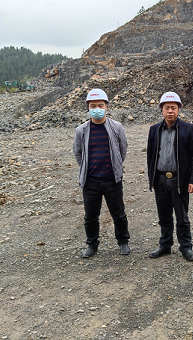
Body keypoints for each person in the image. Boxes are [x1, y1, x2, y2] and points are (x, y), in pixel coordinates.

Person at [73, 88, 130, 258]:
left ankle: (123, 242)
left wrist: (115, 167)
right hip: (90, 182)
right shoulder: (81, 130)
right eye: (93, 106)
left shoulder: (116, 127)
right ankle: (92, 245)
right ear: (88, 107)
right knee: (90, 216)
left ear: (107, 106)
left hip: (112, 180)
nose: (96, 109)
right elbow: (78, 153)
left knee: (118, 214)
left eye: (100, 105)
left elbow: (122, 149)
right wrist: (87, 168)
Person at [147, 92, 193, 261]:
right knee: (163, 215)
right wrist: (152, 179)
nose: (170, 111)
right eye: (167, 108)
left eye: (173, 108)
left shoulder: (188, 129)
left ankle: (186, 247)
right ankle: (165, 245)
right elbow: (151, 155)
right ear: (161, 110)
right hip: (160, 179)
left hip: (180, 180)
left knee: (182, 216)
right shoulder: (154, 130)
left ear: (179, 109)